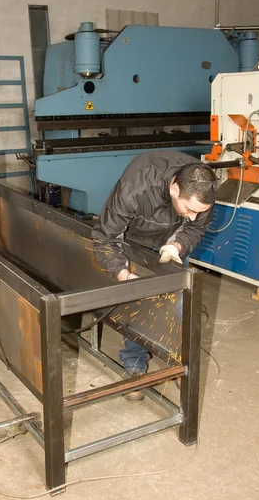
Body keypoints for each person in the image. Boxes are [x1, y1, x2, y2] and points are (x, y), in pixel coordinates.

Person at [92, 150, 217, 399]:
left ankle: (177, 364)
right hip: (133, 241)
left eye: (199, 210)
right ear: (174, 190)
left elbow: (195, 227)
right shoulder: (135, 186)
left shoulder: (203, 189)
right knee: (140, 305)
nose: (195, 215)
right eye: (190, 208)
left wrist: (177, 245)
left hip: (171, 241)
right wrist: (123, 274)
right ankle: (135, 367)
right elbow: (105, 238)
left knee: (180, 304)